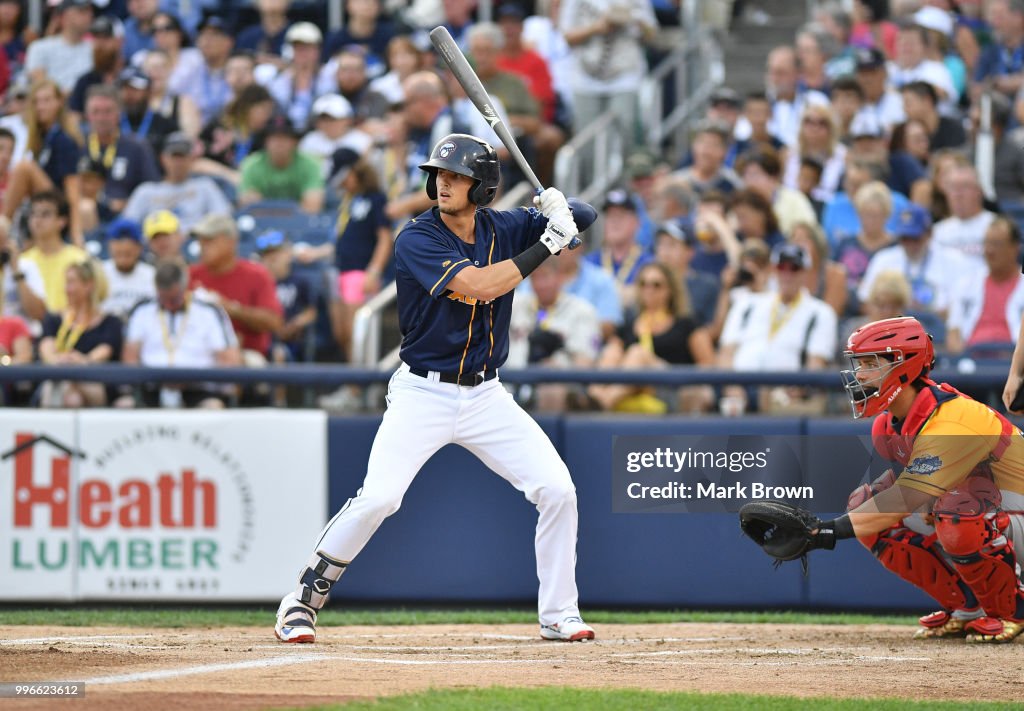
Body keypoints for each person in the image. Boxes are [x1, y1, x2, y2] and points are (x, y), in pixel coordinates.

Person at [273, 132, 597, 645]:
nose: (444, 183)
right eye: (440, 174)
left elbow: (586, 213)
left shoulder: (504, 226)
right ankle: (302, 601)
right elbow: (479, 286)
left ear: (483, 187)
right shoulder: (417, 237)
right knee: (379, 497)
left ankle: (559, 613)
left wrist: (559, 206)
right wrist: (549, 242)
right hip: (424, 393)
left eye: (457, 176)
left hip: (487, 395)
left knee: (558, 490)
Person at [802, 316, 1024, 643]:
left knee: (955, 509)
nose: (859, 375)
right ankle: (967, 608)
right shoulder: (890, 425)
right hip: (1002, 517)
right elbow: (900, 496)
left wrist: (827, 532)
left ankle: (1011, 610)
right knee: (868, 505)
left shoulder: (953, 418)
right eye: (858, 364)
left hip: (1016, 514)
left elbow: (905, 497)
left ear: (903, 365)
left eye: (869, 364)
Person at [588, 260, 715, 414]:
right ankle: (595, 394)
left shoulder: (686, 324)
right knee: (612, 351)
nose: (649, 290)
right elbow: (611, 355)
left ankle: (602, 403)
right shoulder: (630, 323)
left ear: (670, 290)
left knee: (637, 353)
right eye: (643, 284)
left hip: (671, 386)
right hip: (633, 388)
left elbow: (707, 364)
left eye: (656, 285)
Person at [118, 257, 239, 409]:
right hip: (152, 387)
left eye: (174, 299)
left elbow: (229, 360)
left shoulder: (209, 311)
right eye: (163, 299)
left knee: (212, 406)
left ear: (184, 288)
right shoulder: (141, 310)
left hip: (198, 387)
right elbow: (130, 358)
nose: (168, 304)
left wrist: (193, 379)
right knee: (124, 405)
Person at [189, 213, 283, 360]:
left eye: (209, 240)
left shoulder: (256, 274)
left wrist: (231, 309)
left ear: (230, 242)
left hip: (246, 353)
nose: (202, 246)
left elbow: (273, 322)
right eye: (200, 241)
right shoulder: (191, 275)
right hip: (196, 353)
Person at [37, 258, 122, 408]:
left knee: (76, 392)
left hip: (93, 383)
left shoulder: (110, 322)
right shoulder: (54, 319)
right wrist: (62, 360)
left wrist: (81, 361)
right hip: (58, 380)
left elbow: (103, 352)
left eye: (71, 282)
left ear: (89, 285)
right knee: (69, 395)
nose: (66, 289)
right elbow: (46, 349)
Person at [122, 131, 232, 234]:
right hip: (156, 245)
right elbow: (128, 227)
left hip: (196, 244)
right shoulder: (146, 191)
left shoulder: (205, 186)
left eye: (182, 156)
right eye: (174, 156)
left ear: (191, 159)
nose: (178, 163)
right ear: (162, 158)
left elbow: (223, 221)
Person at [946, 216, 1024, 356]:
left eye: (997, 244)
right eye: (987, 243)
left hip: (1013, 363)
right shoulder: (967, 283)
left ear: (1015, 248)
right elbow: (954, 331)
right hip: (972, 362)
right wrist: (961, 360)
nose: (989, 251)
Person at [238, 114, 325, 212]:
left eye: (285, 137)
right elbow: (249, 205)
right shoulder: (251, 165)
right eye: (274, 138)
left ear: (294, 142)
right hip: (262, 223)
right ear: (265, 142)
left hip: (300, 224)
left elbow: (313, 206)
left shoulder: (310, 164)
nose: (279, 143)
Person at [18, 191, 86, 312]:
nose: (37, 219)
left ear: (62, 221)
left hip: (69, 324)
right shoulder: (22, 261)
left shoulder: (79, 259)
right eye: (33, 214)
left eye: (45, 214)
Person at [24, 0, 94, 93]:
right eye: (81, 11)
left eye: (89, 11)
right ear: (64, 17)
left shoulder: (95, 48)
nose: (89, 16)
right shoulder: (39, 47)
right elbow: (39, 85)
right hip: (51, 104)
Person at [100, 217, 155, 319]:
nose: (123, 259)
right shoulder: (100, 273)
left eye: (128, 254)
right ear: (110, 247)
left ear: (139, 248)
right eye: (119, 253)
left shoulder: (151, 275)